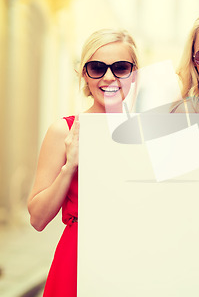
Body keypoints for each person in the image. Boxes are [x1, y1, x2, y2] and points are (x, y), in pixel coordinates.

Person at [27, 29, 140, 297]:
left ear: (134, 74)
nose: (109, 77)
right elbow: (37, 219)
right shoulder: (64, 131)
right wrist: (69, 167)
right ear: (84, 74)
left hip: (133, 259)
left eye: (121, 68)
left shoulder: (146, 132)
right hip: (78, 259)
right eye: (97, 68)